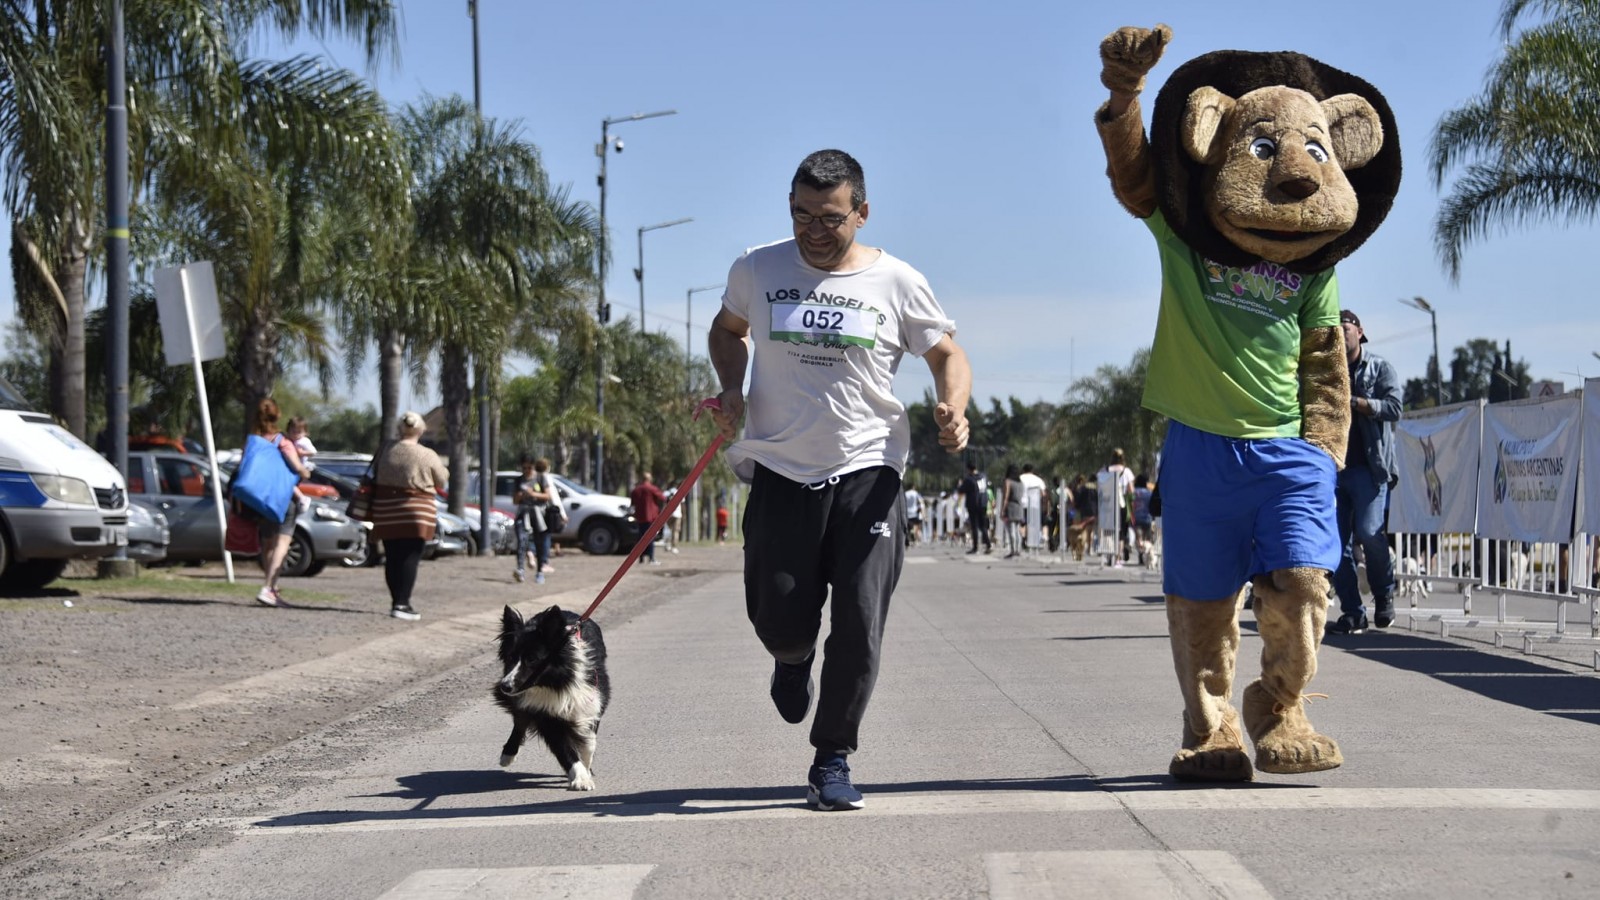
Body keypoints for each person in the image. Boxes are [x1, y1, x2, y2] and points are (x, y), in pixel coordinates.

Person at [707, 148, 971, 812]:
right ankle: (791, 659)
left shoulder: (897, 281)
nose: (813, 231)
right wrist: (728, 388)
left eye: (829, 218)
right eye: (801, 216)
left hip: (868, 468)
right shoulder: (758, 268)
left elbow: (946, 351)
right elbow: (727, 330)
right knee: (779, 614)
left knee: (858, 617)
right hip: (781, 467)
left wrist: (953, 409)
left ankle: (833, 757)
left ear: (862, 211)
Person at [1329, 309, 1402, 632]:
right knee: (1334, 545)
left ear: (1360, 332)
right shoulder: (1328, 371)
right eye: (1336, 329)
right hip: (1333, 470)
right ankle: (1352, 611)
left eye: (1345, 328)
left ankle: (1384, 595)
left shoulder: (1380, 367)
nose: (1340, 333)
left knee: (1371, 533)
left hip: (1370, 469)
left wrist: (1358, 403)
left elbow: (1395, 408)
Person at [370, 411, 447, 621]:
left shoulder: (386, 449)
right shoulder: (427, 454)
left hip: (386, 510)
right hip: (417, 512)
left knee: (392, 557)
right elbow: (442, 480)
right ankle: (402, 603)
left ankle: (396, 601)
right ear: (421, 430)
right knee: (410, 558)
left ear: (399, 429)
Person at [244, 398, 310, 607]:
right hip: (283, 499)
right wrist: (305, 471)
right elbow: (297, 467)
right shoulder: (282, 441)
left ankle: (269, 586)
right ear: (277, 417)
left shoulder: (253, 440)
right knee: (283, 544)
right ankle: (268, 588)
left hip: (262, 498)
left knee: (267, 544)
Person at [629, 471, 666, 565]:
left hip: (640, 517)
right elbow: (662, 498)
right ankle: (651, 558)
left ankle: (641, 558)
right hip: (651, 517)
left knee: (641, 538)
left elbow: (632, 503)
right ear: (650, 479)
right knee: (650, 537)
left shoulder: (636, 490)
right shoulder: (652, 488)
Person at [957, 462, 992, 555]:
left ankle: (975, 547)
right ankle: (988, 544)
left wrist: (960, 484)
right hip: (983, 503)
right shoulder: (983, 477)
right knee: (983, 526)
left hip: (973, 504)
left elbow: (961, 490)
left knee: (974, 526)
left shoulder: (969, 479)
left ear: (968, 469)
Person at [1001, 464, 1024, 558]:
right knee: (1018, 529)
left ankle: (1013, 550)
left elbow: (1006, 496)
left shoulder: (1008, 482)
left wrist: (1003, 509)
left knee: (1011, 529)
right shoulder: (1020, 483)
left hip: (1010, 506)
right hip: (1019, 507)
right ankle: (1018, 549)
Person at [902, 482, 923, 546]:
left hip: (907, 513)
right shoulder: (916, 493)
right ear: (913, 487)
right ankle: (914, 538)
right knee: (916, 526)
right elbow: (920, 502)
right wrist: (921, 510)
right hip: (914, 512)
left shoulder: (905, 493)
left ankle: (910, 537)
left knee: (909, 526)